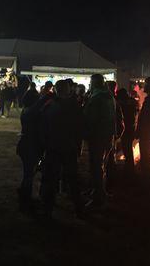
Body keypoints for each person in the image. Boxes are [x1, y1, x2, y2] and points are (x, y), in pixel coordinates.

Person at [40, 80, 84, 218]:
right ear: (68, 90)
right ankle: (78, 208)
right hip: (68, 146)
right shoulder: (74, 106)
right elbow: (79, 128)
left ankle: (48, 209)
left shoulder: (50, 105)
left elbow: (43, 126)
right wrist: (78, 146)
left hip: (53, 146)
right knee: (72, 178)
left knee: (51, 178)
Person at [83, 74, 116, 207]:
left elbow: (90, 118)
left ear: (94, 83)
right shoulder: (109, 97)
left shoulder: (96, 98)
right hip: (108, 136)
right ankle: (98, 191)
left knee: (96, 166)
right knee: (102, 165)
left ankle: (98, 197)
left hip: (97, 136)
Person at [17, 88, 52, 212]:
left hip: (26, 144)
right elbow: (40, 104)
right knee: (29, 174)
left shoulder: (26, 110)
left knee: (29, 173)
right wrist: (49, 95)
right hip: (29, 145)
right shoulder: (30, 111)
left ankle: (24, 195)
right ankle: (25, 199)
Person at [136, 76, 150, 184]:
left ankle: (147, 182)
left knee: (146, 158)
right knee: (148, 158)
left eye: (145, 84)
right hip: (148, 134)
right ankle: (149, 180)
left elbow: (148, 119)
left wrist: (140, 131)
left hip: (147, 134)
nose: (144, 86)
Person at [116, 88, 139, 177]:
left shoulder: (122, 103)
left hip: (126, 129)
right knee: (128, 149)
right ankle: (130, 169)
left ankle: (129, 171)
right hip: (131, 128)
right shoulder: (133, 102)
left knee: (127, 150)